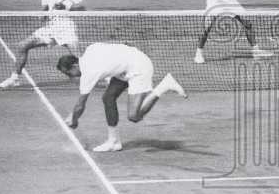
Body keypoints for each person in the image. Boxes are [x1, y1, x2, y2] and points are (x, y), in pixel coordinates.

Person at [57, 43, 187, 152]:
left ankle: (164, 86)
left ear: (74, 66)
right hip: (126, 66)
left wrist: (74, 119)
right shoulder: (90, 49)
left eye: (69, 73)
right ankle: (114, 141)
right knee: (108, 98)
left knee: (134, 117)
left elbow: (81, 104)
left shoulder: (89, 73)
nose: (70, 77)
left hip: (139, 67)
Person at [0, 0, 85, 88]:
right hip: (50, 28)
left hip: (66, 27)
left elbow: (82, 7)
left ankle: (103, 77)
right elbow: (44, 9)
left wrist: (65, 6)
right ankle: (14, 78)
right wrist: (42, 15)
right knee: (23, 45)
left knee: (79, 57)